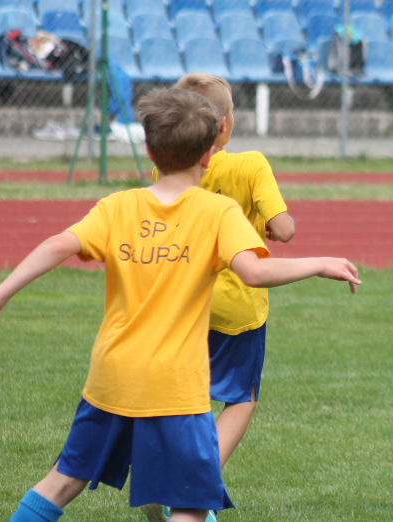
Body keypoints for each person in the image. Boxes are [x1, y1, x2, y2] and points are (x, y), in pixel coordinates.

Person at [0, 88, 361, 522]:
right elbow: (253, 272)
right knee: (191, 506)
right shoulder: (218, 212)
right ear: (210, 154)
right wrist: (319, 263)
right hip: (175, 384)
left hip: (112, 374)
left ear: (148, 151)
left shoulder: (118, 206)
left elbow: (57, 244)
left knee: (64, 481)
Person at [144, 73, 295, 520]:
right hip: (238, 308)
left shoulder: (164, 169)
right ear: (225, 125)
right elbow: (284, 229)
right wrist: (262, 226)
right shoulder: (250, 165)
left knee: (188, 398)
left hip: (185, 301)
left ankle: (165, 475)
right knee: (240, 400)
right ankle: (193, 488)